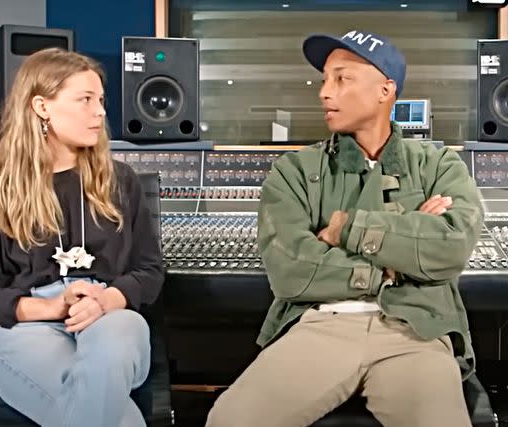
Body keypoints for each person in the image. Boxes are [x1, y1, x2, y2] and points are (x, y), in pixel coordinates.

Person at [206, 30, 484, 427]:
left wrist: (346, 229)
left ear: (384, 91)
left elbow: (452, 246)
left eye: (342, 78)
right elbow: (290, 268)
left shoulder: (439, 165)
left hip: (416, 331)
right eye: (324, 80)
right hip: (321, 326)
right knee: (231, 420)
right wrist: (398, 259)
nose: (324, 92)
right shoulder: (294, 171)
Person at [0, 47, 164, 427]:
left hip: (109, 316)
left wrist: (106, 299)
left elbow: (149, 270)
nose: (100, 112)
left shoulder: (121, 181)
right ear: (42, 106)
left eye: (100, 100)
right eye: (85, 100)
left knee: (118, 335)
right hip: (28, 327)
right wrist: (49, 309)